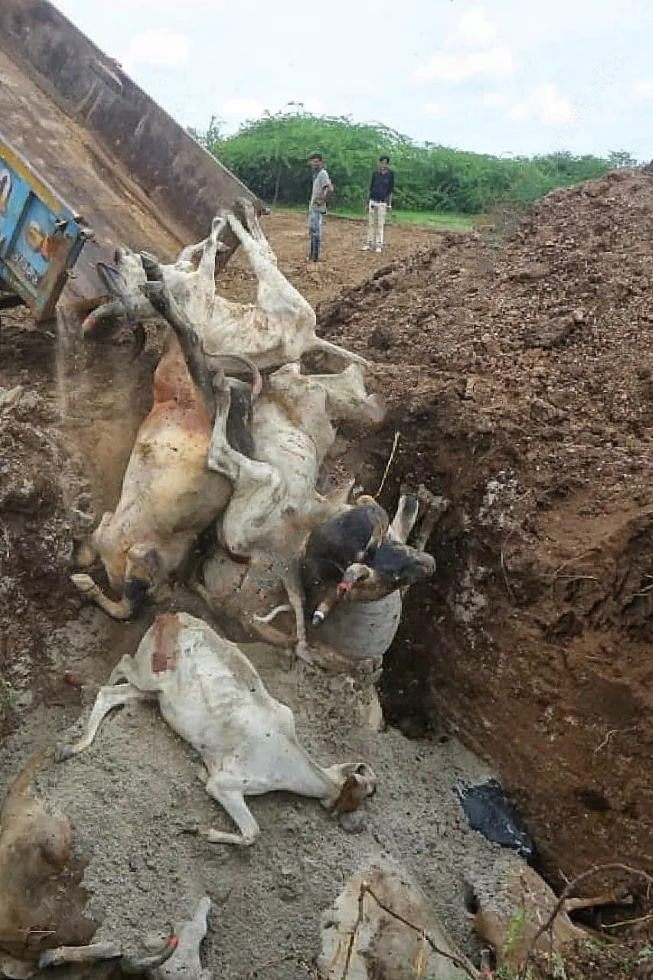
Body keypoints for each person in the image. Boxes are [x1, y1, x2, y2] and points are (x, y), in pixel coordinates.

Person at [363, 155, 395, 253]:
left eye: (385, 163)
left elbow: (391, 190)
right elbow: (371, 188)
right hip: (373, 200)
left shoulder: (390, 175)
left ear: (388, 164)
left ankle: (379, 244)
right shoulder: (375, 174)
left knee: (380, 224)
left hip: (382, 202)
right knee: (371, 223)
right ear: (379, 163)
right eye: (382, 163)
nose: (383, 165)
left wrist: (389, 204)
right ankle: (369, 243)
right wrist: (367, 202)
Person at [308, 152, 333, 262]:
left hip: (317, 208)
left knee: (316, 232)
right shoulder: (316, 174)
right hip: (313, 207)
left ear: (321, 162)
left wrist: (322, 200)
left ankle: (315, 256)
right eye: (313, 162)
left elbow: (329, 188)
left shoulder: (323, 173)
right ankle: (312, 255)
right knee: (313, 230)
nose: (314, 164)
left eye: (316, 162)